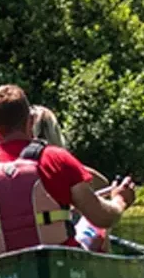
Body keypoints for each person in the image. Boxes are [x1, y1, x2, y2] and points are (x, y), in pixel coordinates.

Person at [0, 85, 136, 257]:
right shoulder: (57, 159)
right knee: (98, 230)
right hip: (60, 263)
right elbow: (102, 218)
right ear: (30, 121)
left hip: (0, 267)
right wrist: (119, 200)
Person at [30, 104, 115, 252]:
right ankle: (105, 265)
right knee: (102, 220)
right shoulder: (63, 163)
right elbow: (102, 184)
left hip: (26, 241)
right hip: (63, 241)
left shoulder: (13, 168)